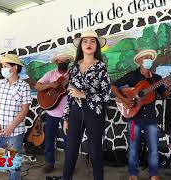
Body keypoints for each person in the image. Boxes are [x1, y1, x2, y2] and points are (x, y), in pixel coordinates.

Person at [111, 49, 171, 180]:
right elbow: (114, 87)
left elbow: (165, 95)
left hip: (150, 118)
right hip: (134, 118)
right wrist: (125, 100)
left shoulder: (157, 79)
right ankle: (133, 174)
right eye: (146, 57)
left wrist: (168, 87)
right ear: (139, 61)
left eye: (151, 57)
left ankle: (154, 174)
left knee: (154, 147)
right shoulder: (132, 76)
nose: (149, 59)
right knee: (133, 147)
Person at [62, 30, 111, 180]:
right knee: (70, 150)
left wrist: (83, 94)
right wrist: (66, 117)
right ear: (80, 46)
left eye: (92, 41)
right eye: (85, 41)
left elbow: (107, 94)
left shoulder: (101, 67)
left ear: (97, 46)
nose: (89, 44)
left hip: (94, 112)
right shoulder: (74, 67)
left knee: (95, 151)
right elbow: (70, 94)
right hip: (75, 112)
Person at [0, 54, 32, 180]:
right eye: (2, 66)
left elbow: (25, 109)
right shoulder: (0, 83)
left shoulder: (24, 86)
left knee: (13, 161)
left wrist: (11, 127)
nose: (2, 69)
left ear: (14, 68)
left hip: (15, 132)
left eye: (5, 66)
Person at [35, 53, 74, 173]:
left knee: (69, 141)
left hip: (68, 114)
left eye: (64, 60)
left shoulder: (73, 74)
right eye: (59, 60)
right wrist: (51, 84)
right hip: (52, 112)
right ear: (56, 62)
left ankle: (69, 166)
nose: (62, 62)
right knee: (49, 139)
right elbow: (37, 86)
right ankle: (49, 163)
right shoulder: (50, 74)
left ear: (68, 61)